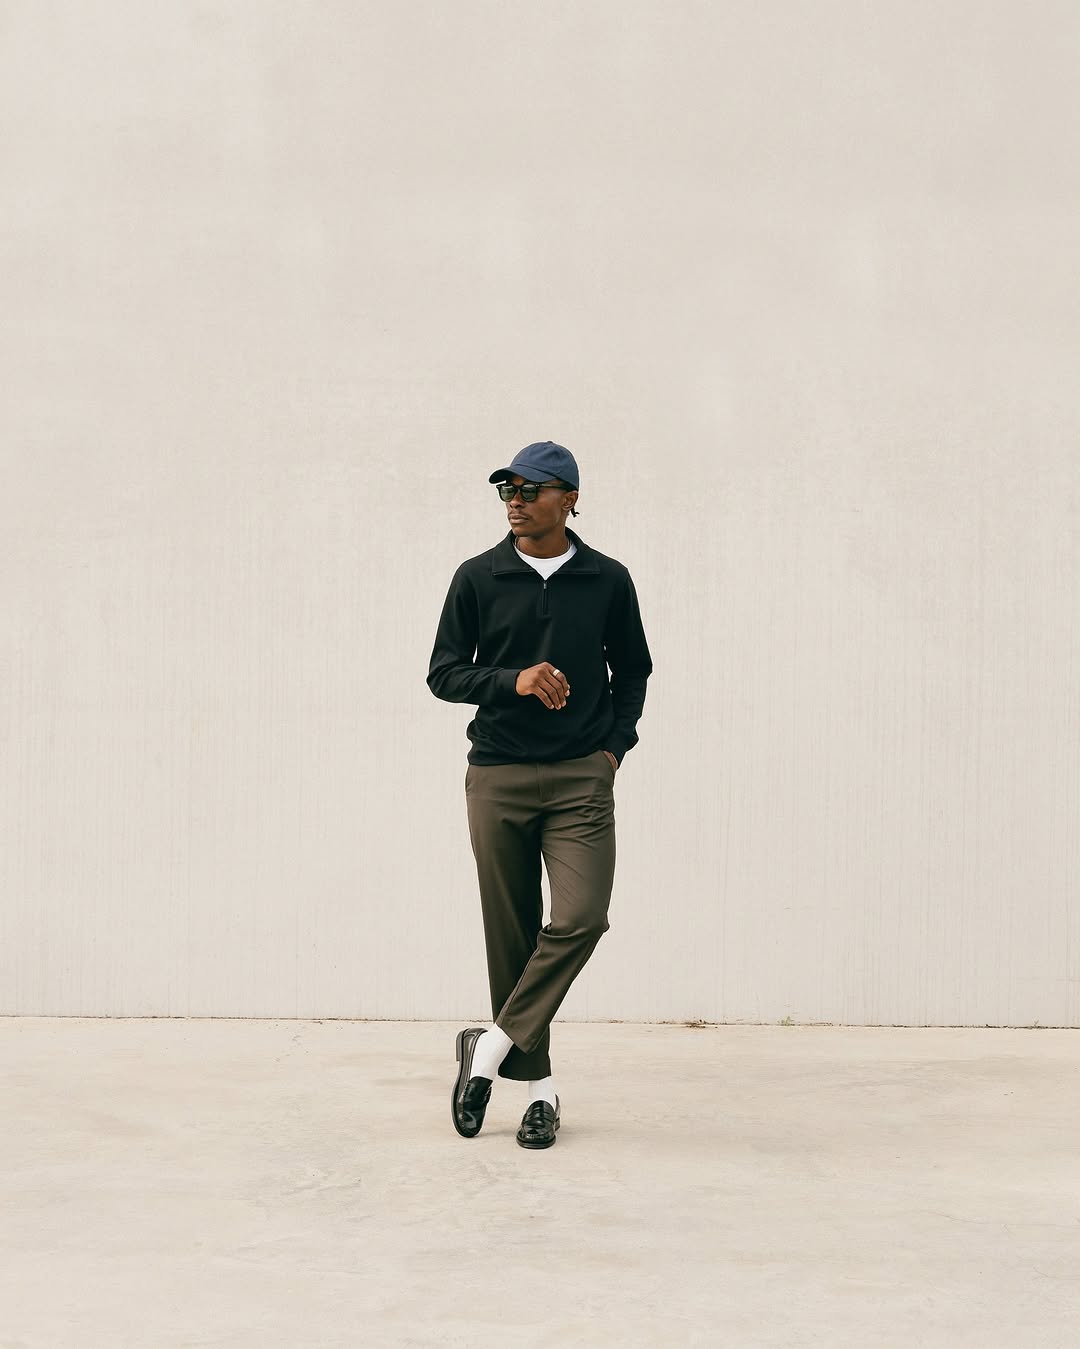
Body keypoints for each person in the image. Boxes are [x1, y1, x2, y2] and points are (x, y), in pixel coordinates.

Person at [426, 440, 653, 1149]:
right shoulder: (478, 576)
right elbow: (443, 673)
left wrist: (614, 748)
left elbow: (635, 670)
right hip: (497, 775)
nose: (516, 500)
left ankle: (486, 1052)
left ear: (571, 498)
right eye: (507, 489)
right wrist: (513, 679)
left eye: (532, 488)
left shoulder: (607, 579)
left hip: (581, 777)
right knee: (513, 938)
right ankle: (541, 1094)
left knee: (582, 917)